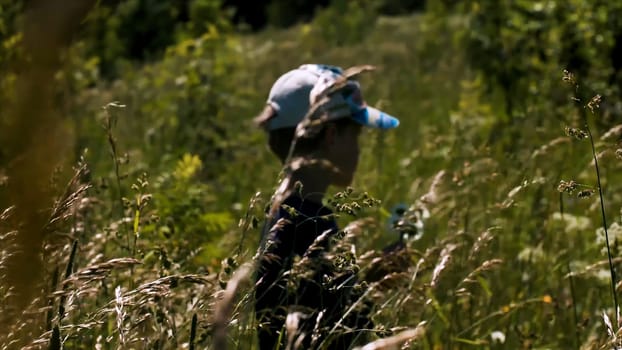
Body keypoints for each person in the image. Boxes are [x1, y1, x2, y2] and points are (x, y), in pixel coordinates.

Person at [253, 64, 399, 350]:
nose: (359, 149)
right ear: (331, 135)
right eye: (355, 136)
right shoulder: (309, 223)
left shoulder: (284, 214)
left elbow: (319, 302)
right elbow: (340, 328)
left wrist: (375, 274)